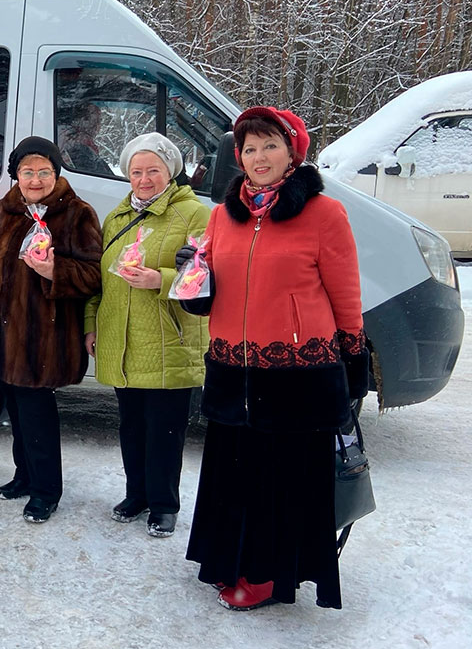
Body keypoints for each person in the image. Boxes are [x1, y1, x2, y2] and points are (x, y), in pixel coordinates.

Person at [182, 107, 368, 611]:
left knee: (276, 481)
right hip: (231, 370)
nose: (257, 157)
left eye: (269, 145)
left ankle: (267, 574)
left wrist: (353, 358)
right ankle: (229, 559)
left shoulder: (324, 214)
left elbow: (345, 293)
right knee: (234, 475)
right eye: (248, 148)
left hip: (296, 375)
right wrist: (192, 280)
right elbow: (209, 291)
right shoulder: (222, 215)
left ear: (292, 153)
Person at [83, 133, 210, 538]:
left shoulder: (194, 214)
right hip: (121, 339)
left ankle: (164, 504)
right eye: (136, 171)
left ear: (170, 171)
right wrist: (92, 325)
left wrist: (160, 278)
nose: (144, 179)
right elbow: (97, 283)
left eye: (153, 170)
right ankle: (136, 493)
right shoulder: (117, 218)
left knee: (166, 429)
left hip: (167, 339)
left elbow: (206, 276)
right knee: (131, 425)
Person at [0, 136, 104, 523]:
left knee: (38, 416)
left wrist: (54, 271)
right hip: (1, 334)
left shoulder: (76, 213)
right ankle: (24, 476)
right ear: (15, 176)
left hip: (41, 337)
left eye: (44, 171)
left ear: (56, 173)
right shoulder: (5, 211)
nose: (36, 179)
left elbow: (94, 274)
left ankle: (47, 490)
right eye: (27, 172)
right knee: (17, 412)